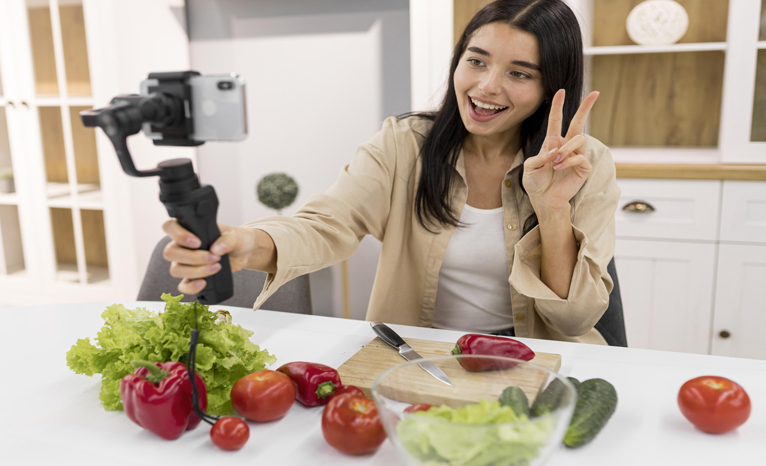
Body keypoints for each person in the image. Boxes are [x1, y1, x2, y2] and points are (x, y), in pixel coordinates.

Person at [162, 0, 620, 345]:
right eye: (476, 60)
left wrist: (553, 209)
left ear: (549, 89)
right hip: (414, 352)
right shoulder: (403, 143)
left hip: (534, 358)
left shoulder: (586, 165)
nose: (486, 86)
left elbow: (573, 321)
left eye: (520, 73)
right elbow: (327, 224)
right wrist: (246, 244)